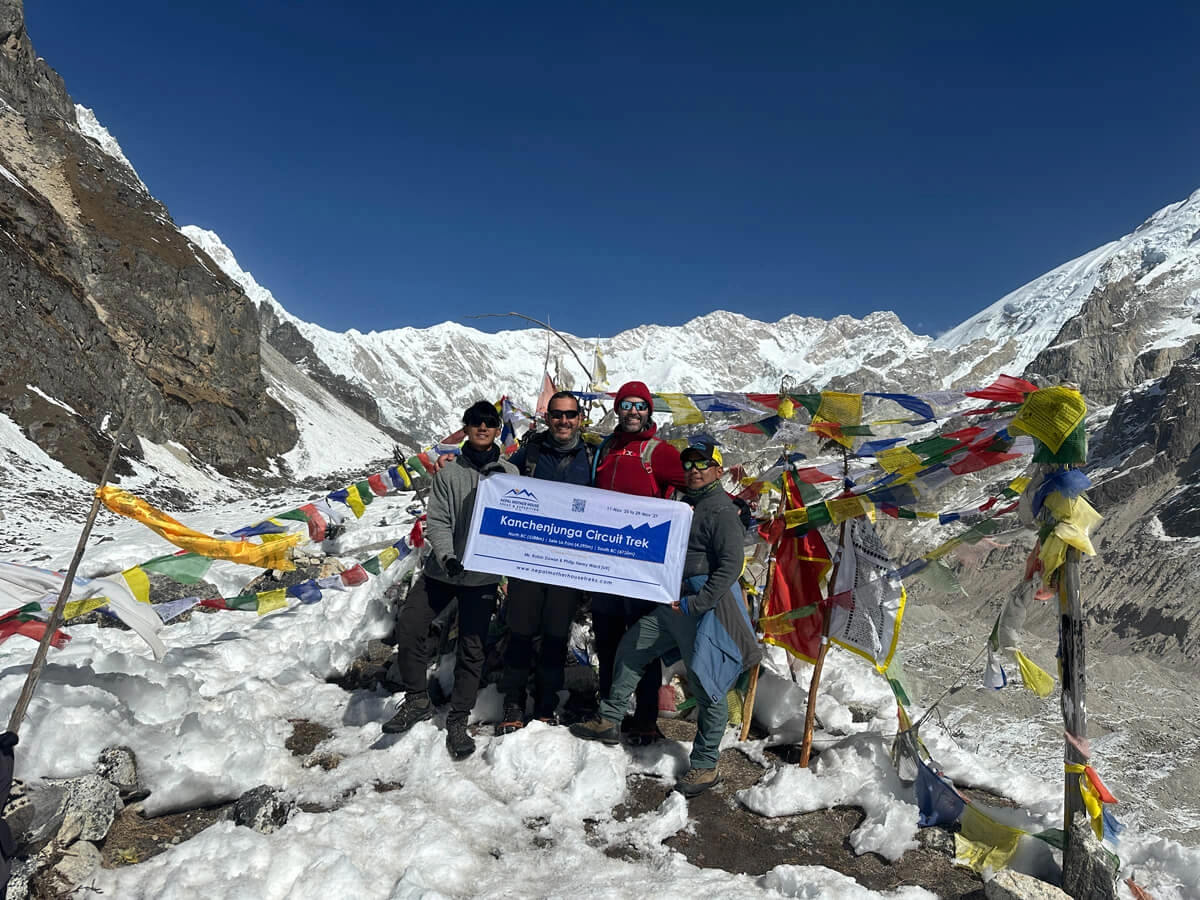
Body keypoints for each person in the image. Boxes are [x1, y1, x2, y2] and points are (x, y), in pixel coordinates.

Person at [571, 439, 762, 796]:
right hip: (673, 601)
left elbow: (731, 567)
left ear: (718, 470)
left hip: (704, 608)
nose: (694, 470)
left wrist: (698, 603)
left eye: (702, 464)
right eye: (688, 465)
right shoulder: (684, 503)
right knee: (633, 646)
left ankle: (705, 765)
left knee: (708, 685)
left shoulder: (721, 512)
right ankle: (610, 718)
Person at [383, 400, 518, 760]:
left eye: (490, 422)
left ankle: (458, 719)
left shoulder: (510, 475)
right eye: (476, 421)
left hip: (483, 578)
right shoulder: (447, 474)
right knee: (411, 624)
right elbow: (439, 521)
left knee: (472, 648)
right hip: (442, 571)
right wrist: (447, 556)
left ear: (498, 428)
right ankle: (416, 699)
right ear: (466, 427)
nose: (483, 427)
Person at [589, 380, 686, 744]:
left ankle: (645, 718)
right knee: (608, 638)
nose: (633, 411)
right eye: (626, 405)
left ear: (649, 411)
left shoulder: (658, 452)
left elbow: (691, 482)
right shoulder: (606, 448)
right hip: (603, 564)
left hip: (643, 566)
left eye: (640, 405)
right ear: (617, 409)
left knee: (642, 643)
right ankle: (608, 715)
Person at [496, 391, 594, 733]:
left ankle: (546, 703)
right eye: (557, 415)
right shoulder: (531, 453)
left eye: (570, 415)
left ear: (579, 417)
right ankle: (513, 701)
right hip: (528, 558)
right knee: (520, 632)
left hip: (569, 563)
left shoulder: (592, 456)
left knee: (555, 635)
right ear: (547, 417)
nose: (563, 421)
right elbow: (499, 478)